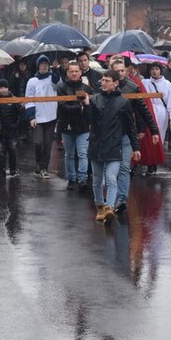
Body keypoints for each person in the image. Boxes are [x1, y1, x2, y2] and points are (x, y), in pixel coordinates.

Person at [81, 70, 140, 224]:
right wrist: (87, 106)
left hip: (114, 145)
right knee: (97, 179)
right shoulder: (95, 99)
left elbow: (130, 126)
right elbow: (89, 121)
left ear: (116, 83)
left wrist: (136, 147)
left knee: (111, 177)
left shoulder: (123, 102)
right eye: (103, 80)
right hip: (96, 144)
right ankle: (100, 207)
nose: (104, 83)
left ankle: (109, 208)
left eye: (107, 80)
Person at [109, 57, 158, 213]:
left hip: (127, 132)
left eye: (122, 70)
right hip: (109, 134)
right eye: (117, 71)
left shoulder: (133, 87)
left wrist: (153, 130)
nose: (120, 73)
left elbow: (143, 110)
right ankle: (110, 198)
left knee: (124, 167)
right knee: (111, 169)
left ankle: (121, 199)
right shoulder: (104, 86)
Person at [57, 61, 92, 191]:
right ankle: (71, 179)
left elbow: (90, 107)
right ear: (67, 73)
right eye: (71, 71)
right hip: (67, 126)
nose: (74, 73)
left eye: (76, 71)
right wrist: (79, 107)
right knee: (69, 155)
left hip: (83, 126)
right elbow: (63, 107)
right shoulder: (61, 88)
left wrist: (84, 108)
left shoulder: (86, 88)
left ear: (80, 72)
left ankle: (82, 179)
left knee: (83, 154)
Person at [24, 55, 59, 179]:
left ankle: (44, 168)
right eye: (42, 64)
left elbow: (57, 84)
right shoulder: (32, 81)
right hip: (38, 117)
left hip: (51, 117)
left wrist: (55, 70)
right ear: (38, 66)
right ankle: (38, 162)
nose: (44, 66)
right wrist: (31, 117)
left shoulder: (52, 78)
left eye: (46, 64)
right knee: (38, 142)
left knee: (48, 144)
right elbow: (29, 99)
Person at [141, 62, 171, 175]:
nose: (154, 71)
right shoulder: (145, 82)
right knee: (147, 137)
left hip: (161, 113)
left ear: (160, 70)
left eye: (157, 69)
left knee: (158, 137)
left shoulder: (167, 84)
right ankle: (147, 162)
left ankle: (154, 162)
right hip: (148, 112)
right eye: (152, 69)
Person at [0, 78, 22, 178]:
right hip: (0, 131)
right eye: (1, 87)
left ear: (8, 88)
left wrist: (16, 125)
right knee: (1, 153)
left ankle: (13, 169)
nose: (3, 90)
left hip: (12, 130)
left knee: (13, 151)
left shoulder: (14, 99)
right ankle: (1, 171)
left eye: (5, 87)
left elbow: (20, 113)